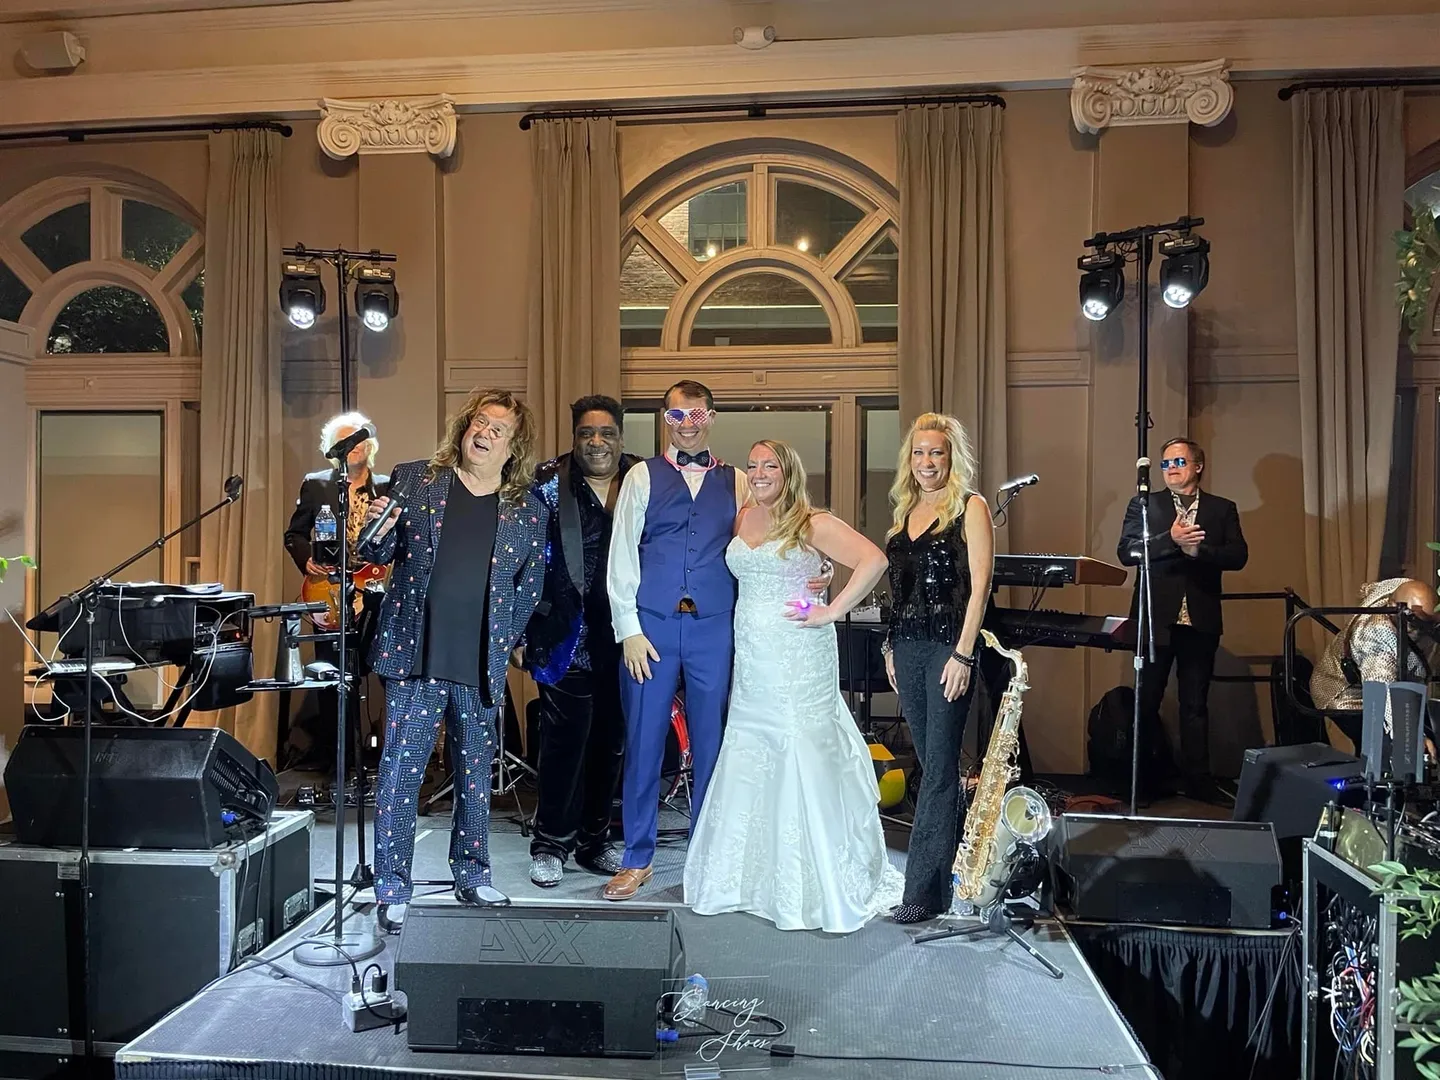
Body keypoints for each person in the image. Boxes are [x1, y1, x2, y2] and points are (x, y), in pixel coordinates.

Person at [684, 439, 903, 932]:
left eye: (771, 466)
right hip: (753, 657)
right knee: (752, 747)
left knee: (800, 746)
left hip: (799, 650)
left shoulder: (812, 521)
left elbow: (873, 560)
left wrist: (831, 608)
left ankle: (818, 879)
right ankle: (748, 879)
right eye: (754, 464)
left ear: (789, 473)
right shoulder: (741, 518)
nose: (760, 473)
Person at [357, 389, 547, 933]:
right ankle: (393, 886)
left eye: (498, 429)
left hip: (478, 660)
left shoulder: (527, 509)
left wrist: (501, 638)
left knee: (472, 774)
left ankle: (472, 873)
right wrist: (374, 531)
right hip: (417, 652)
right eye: (479, 422)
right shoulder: (416, 478)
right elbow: (374, 554)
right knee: (401, 771)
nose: (484, 434)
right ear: (465, 426)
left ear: (513, 446)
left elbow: (528, 587)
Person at [602, 380, 747, 901]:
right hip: (652, 627)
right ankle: (637, 857)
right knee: (643, 742)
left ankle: (705, 858)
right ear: (664, 421)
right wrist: (629, 630)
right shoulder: (641, 476)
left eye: (696, 414)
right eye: (676, 416)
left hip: (715, 627)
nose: (687, 424)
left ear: (711, 416)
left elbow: (763, 546)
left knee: (713, 743)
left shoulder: (738, 482)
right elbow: (622, 555)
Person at [881, 413, 994, 925]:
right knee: (932, 767)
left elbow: (980, 587)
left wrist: (964, 653)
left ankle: (921, 895)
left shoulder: (970, 507)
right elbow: (895, 593)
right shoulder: (902, 514)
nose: (927, 462)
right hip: (907, 650)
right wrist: (887, 647)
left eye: (937, 453)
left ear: (952, 459)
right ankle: (947, 884)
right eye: (920, 453)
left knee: (941, 769)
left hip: (949, 647)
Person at [522, 395, 640, 887]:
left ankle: (595, 842)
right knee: (564, 744)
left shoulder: (642, 479)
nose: (597, 442)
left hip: (626, 636)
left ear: (620, 437)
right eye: (587, 433)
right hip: (566, 635)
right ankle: (550, 845)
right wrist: (520, 629)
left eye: (606, 433)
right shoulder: (547, 484)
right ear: (574, 437)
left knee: (611, 745)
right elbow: (521, 562)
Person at [1117, 437, 1248, 805]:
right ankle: (1140, 783)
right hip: (1155, 620)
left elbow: (1238, 556)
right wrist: (1169, 540)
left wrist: (1198, 550)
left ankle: (1198, 783)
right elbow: (1126, 552)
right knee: (1146, 701)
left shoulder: (1222, 509)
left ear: (1198, 466)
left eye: (1178, 461)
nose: (1171, 469)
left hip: (1200, 620)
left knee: (1195, 705)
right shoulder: (1145, 505)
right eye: (1165, 464)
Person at [281, 412, 390, 771]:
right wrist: (306, 559)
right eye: (347, 442)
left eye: (360, 441)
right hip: (329, 589)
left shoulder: (387, 486)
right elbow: (294, 534)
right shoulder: (317, 484)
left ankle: (388, 755)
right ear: (334, 450)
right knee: (332, 675)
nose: (355, 447)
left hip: (374, 590)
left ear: (370, 447)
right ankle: (338, 760)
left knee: (385, 671)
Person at [1310, 578, 1438, 747]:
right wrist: (1412, 736)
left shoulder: (1402, 588)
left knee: (1429, 729)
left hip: (1390, 679)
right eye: (1416, 625)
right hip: (1344, 692)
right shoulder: (1374, 636)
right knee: (1376, 744)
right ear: (1393, 609)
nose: (1423, 631)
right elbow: (1382, 690)